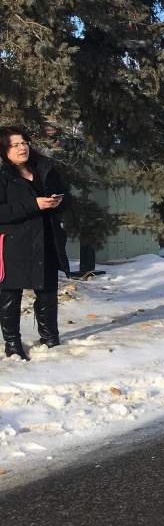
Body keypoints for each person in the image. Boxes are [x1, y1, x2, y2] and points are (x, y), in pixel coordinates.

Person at [0, 128, 70, 359]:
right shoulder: (3, 177)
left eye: (24, 142)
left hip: (46, 239)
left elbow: (67, 198)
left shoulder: (45, 170)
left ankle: (50, 338)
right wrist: (34, 205)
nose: (22, 147)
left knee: (48, 292)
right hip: (14, 243)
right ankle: (12, 344)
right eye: (15, 145)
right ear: (4, 151)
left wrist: (58, 202)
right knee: (11, 296)